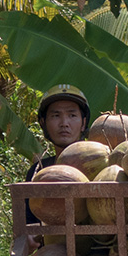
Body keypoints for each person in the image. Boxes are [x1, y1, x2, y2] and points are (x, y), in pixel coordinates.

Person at [25, 84, 91, 224]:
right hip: (52, 245)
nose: (64, 123)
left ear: (83, 123)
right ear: (43, 123)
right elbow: (28, 225)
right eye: (56, 116)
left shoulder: (99, 165)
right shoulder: (37, 171)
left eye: (72, 115)